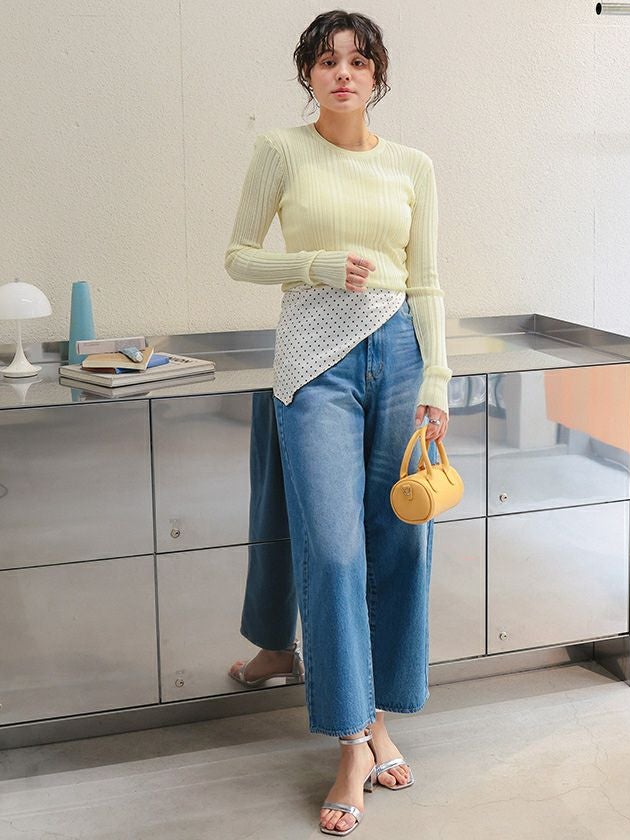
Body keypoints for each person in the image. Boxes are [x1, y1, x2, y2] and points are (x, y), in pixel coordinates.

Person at [224, 10, 451, 836]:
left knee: (400, 542)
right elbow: (239, 255)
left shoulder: (413, 165)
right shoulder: (281, 151)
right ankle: (352, 743)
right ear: (308, 75)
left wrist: (438, 379)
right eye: (327, 61)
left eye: (358, 61)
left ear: (377, 74)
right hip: (313, 362)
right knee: (333, 549)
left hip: (400, 355)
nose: (343, 73)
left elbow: (426, 281)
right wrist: (313, 265)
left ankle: (377, 718)